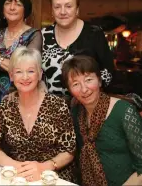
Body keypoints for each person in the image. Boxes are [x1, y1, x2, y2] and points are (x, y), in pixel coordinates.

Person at [0, 46, 76, 182]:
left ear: (40, 74)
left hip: (51, 177)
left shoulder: (57, 106)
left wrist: (44, 167)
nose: (25, 77)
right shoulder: (6, 105)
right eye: (19, 72)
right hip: (17, 176)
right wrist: (13, 164)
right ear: (11, 76)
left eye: (31, 71)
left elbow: (69, 150)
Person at [61, 55, 142, 186]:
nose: (84, 89)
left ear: (99, 81)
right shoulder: (76, 112)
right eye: (75, 84)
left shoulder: (124, 111)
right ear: (69, 90)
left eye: (88, 80)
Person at [42, 0, 114, 97]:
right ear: (52, 11)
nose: (62, 12)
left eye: (68, 6)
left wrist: (89, 95)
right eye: (57, 7)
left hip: (85, 106)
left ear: (77, 9)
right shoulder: (43, 35)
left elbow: (108, 72)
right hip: (50, 107)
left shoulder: (94, 34)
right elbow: (36, 72)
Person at [0, 0, 42, 102]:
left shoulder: (34, 35)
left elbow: (29, 69)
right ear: (3, 9)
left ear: (25, 10)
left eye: (18, 4)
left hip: (21, 97)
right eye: (8, 3)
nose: (12, 7)